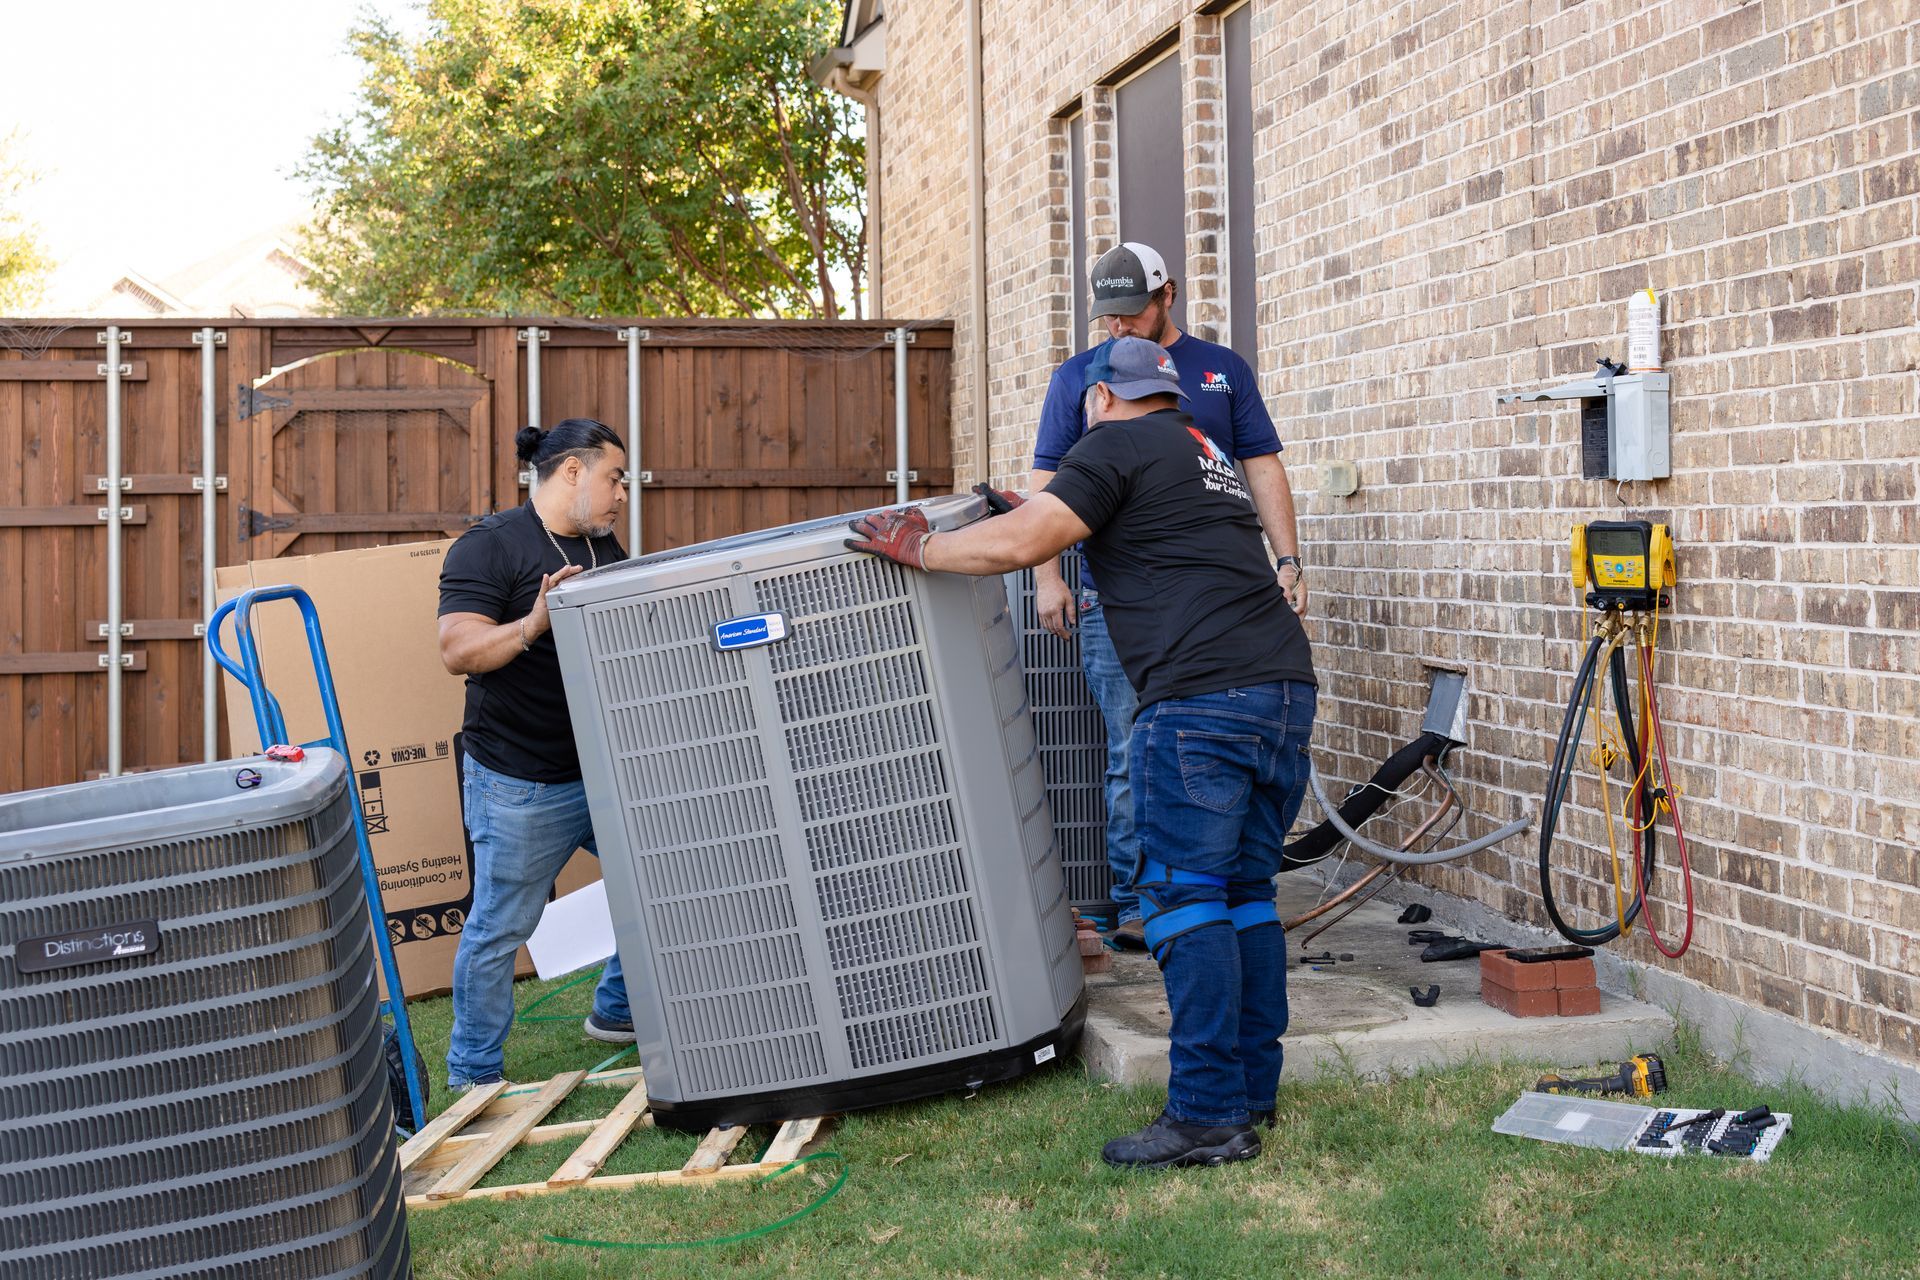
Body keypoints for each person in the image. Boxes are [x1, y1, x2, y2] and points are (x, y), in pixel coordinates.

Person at [846, 337, 1317, 1170]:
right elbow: (1108, 519)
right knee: (1245, 893)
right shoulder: (1199, 449)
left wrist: (919, 546)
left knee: (1182, 899)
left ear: (1099, 399)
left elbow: (1019, 547)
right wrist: (1022, 502)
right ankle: (1251, 1090)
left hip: (1200, 700)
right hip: (1279, 690)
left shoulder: (1112, 444)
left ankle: (1207, 1114)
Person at [1031, 242, 1307, 947]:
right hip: (1117, 604)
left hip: (1224, 606)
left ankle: (1218, 901)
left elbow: (1262, 468)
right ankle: (1137, 908)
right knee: (1133, 748)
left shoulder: (1220, 372)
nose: (1117, 328)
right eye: (1108, 316)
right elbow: (1045, 485)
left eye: (1130, 313)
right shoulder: (1080, 379)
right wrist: (1048, 576)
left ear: (1167, 297)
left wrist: (1289, 561)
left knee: (1213, 751)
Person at [436, 418, 635, 1090]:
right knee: (500, 927)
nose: (622, 495)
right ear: (573, 471)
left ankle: (618, 1009)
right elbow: (457, 650)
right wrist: (532, 624)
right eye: (615, 478)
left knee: (662, 879)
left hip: (602, 769)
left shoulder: (605, 546)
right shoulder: (489, 547)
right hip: (519, 780)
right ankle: (472, 1074)